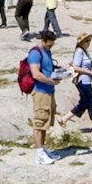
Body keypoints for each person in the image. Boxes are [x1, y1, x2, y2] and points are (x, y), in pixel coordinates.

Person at [24, 30, 61, 165]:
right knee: (39, 121)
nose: (50, 47)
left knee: (46, 121)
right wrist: (51, 81)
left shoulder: (47, 52)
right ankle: (39, 152)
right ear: (43, 41)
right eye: (49, 45)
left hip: (49, 90)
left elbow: (47, 68)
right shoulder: (35, 53)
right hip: (40, 91)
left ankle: (43, 149)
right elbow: (36, 74)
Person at [65, 32, 92, 135]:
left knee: (84, 103)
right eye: (87, 41)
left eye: (89, 40)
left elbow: (86, 66)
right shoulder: (79, 52)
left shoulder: (84, 52)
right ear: (82, 42)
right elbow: (76, 67)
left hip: (87, 80)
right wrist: (90, 72)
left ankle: (64, 119)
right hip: (83, 81)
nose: (89, 43)